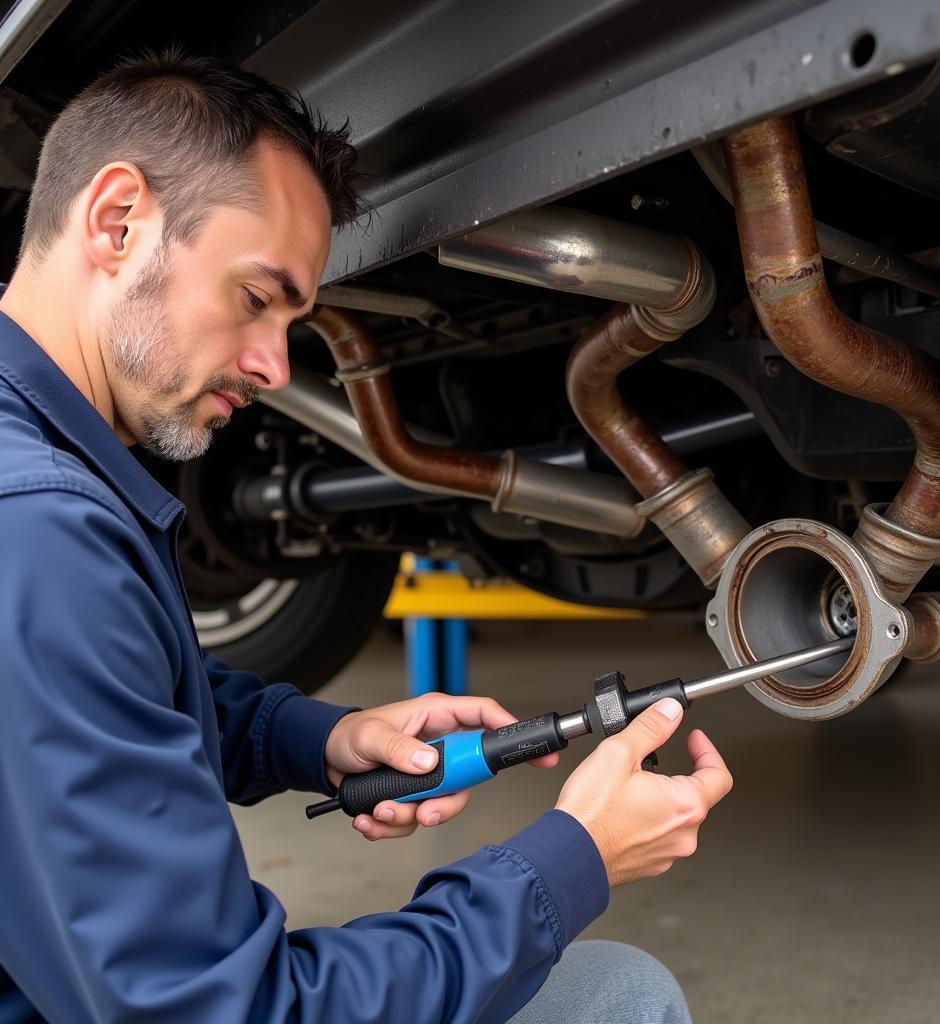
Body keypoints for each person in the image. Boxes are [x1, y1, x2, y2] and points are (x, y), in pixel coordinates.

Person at [0, 51, 733, 1023]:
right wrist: (566, 863)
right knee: (617, 1000)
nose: (270, 364)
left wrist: (322, 738)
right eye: (257, 298)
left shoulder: (33, 483)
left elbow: (113, 696)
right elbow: (210, 1011)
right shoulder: (40, 537)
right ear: (116, 220)